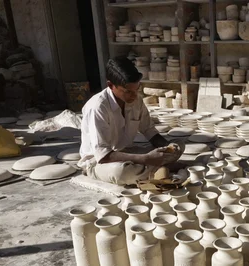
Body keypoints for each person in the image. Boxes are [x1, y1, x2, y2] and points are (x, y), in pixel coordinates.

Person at [78, 56, 183, 185]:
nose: (134, 96)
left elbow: (149, 130)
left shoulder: (136, 100)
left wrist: (167, 148)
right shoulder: (98, 107)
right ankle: (160, 167)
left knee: (179, 145)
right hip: (99, 162)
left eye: (136, 89)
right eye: (128, 92)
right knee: (121, 172)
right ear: (111, 85)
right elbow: (103, 154)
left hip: (126, 152)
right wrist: (146, 158)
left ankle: (154, 167)